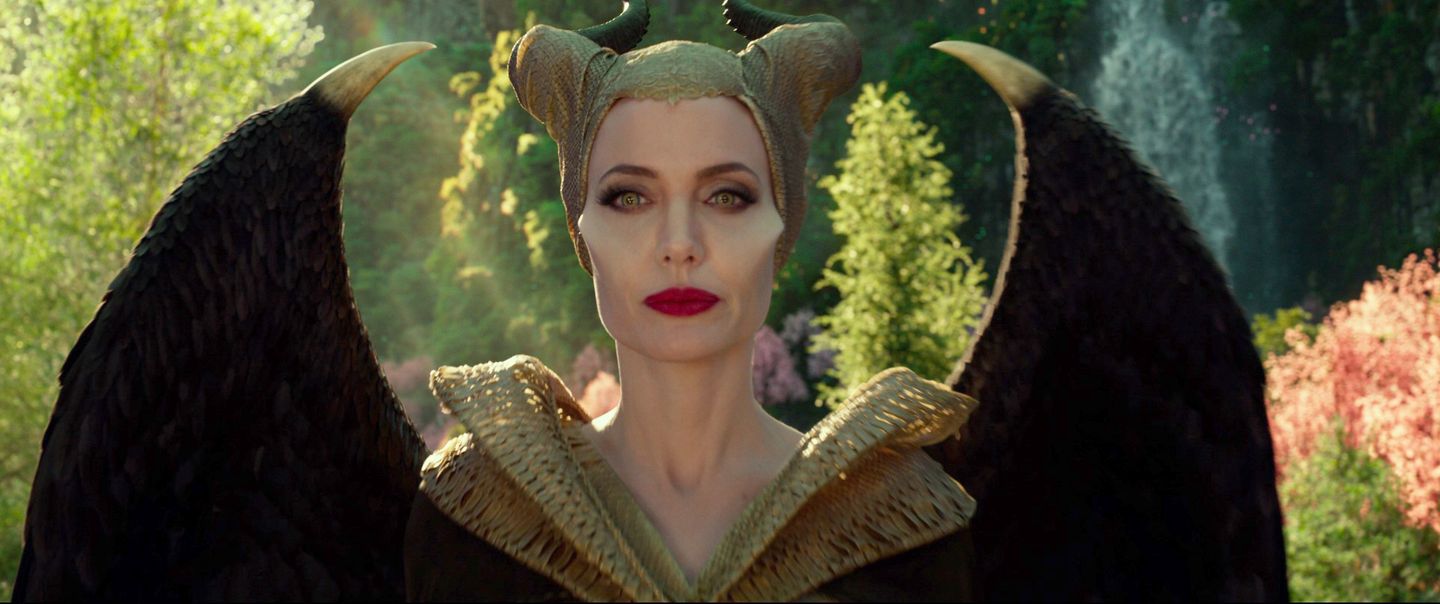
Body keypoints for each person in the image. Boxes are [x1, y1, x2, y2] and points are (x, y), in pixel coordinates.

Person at [402, 1, 979, 600]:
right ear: (581, 228)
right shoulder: (473, 517)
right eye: (630, 198)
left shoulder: (905, 526)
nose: (679, 245)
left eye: (727, 197)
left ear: (781, 224)